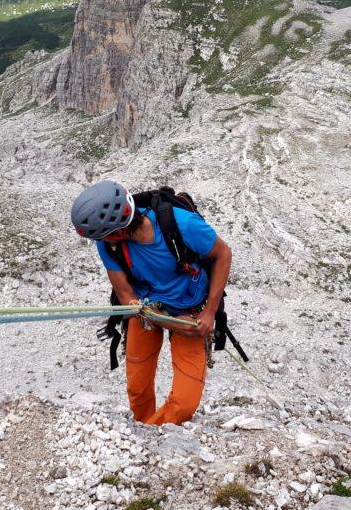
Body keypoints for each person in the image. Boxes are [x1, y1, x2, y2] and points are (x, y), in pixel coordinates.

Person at [71, 180, 233, 425]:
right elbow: (126, 295)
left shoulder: (183, 225)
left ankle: (144, 435)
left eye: (103, 236)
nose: (100, 242)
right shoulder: (109, 246)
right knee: (137, 389)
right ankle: (145, 432)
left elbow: (223, 254)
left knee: (184, 404)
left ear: (117, 231)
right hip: (146, 311)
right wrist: (160, 317)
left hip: (191, 311)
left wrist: (210, 312)